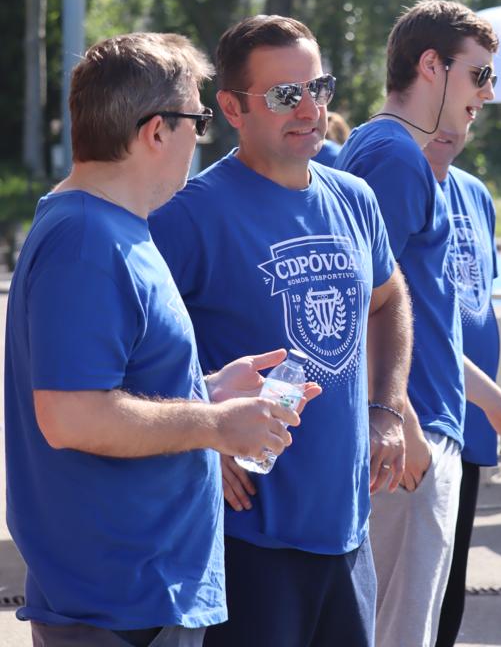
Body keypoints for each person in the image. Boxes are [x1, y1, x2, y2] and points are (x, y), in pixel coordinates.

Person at [4, 32, 304, 647]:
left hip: (141, 594)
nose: (202, 138)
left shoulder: (111, 227)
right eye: (198, 120)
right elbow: (70, 415)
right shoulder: (85, 239)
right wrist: (215, 424)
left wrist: (206, 390)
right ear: (156, 131)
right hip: (119, 604)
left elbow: (112, 388)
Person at [149, 15, 412, 647]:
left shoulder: (355, 198)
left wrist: (387, 407)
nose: (310, 110)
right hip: (246, 539)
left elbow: (390, 299)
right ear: (231, 108)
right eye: (285, 94)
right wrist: (198, 435)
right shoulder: (187, 215)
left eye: (318, 88)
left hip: (348, 533)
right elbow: (132, 350)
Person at [336, 0, 501, 647]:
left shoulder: (388, 150)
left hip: (422, 425)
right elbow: (357, 304)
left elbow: (426, 326)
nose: (488, 94)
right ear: (431, 66)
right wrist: (396, 415)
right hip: (410, 435)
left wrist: (491, 407)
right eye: (479, 75)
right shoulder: (394, 156)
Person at [423, 132, 500, 647]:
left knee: (449, 596)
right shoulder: (388, 180)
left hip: (469, 426)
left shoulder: (475, 192)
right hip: (420, 421)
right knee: (410, 605)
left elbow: (476, 297)